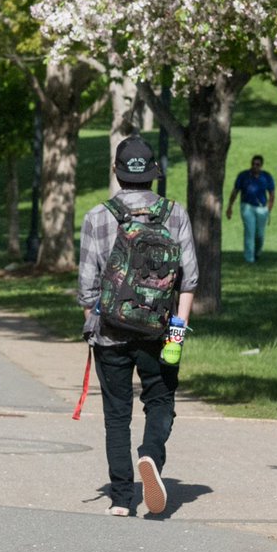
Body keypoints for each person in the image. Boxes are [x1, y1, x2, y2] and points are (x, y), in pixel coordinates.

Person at [79, 135, 198, 517]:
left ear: (116, 171)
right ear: (153, 173)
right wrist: (175, 336)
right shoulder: (174, 214)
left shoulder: (98, 216)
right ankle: (150, 456)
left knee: (117, 415)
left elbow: (87, 288)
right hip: (158, 331)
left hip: (110, 331)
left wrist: (94, 328)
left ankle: (120, 498)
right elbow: (189, 282)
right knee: (160, 401)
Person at [227, 155, 277, 264]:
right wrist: (230, 207)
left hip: (262, 208)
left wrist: (269, 209)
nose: (255, 166)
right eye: (253, 164)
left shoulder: (266, 177)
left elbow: (272, 194)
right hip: (247, 206)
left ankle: (257, 253)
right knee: (249, 232)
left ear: (261, 165)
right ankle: (249, 259)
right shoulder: (243, 176)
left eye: (257, 164)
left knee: (259, 235)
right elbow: (235, 192)